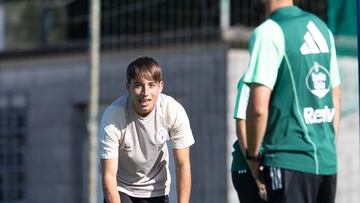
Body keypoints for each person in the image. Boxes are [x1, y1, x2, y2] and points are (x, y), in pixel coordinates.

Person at [243, 0, 341, 203]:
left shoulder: (268, 32)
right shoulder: (323, 28)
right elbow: (336, 97)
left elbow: (258, 109)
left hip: (287, 160)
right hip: (327, 162)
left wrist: (252, 157)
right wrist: (328, 147)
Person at [99, 56, 195, 203]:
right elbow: (109, 176)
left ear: (160, 86)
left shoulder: (173, 111)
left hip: (157, 190)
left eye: (151, 85)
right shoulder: (113, 117)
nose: (145, 93)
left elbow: (182, 165)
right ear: (128, 87)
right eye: (138, 85)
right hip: (121, 188)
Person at [231, 76, 267, 203]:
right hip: (247, 168)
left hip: (272, 165)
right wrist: (257, 176)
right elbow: (242, 128)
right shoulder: (250, 79)